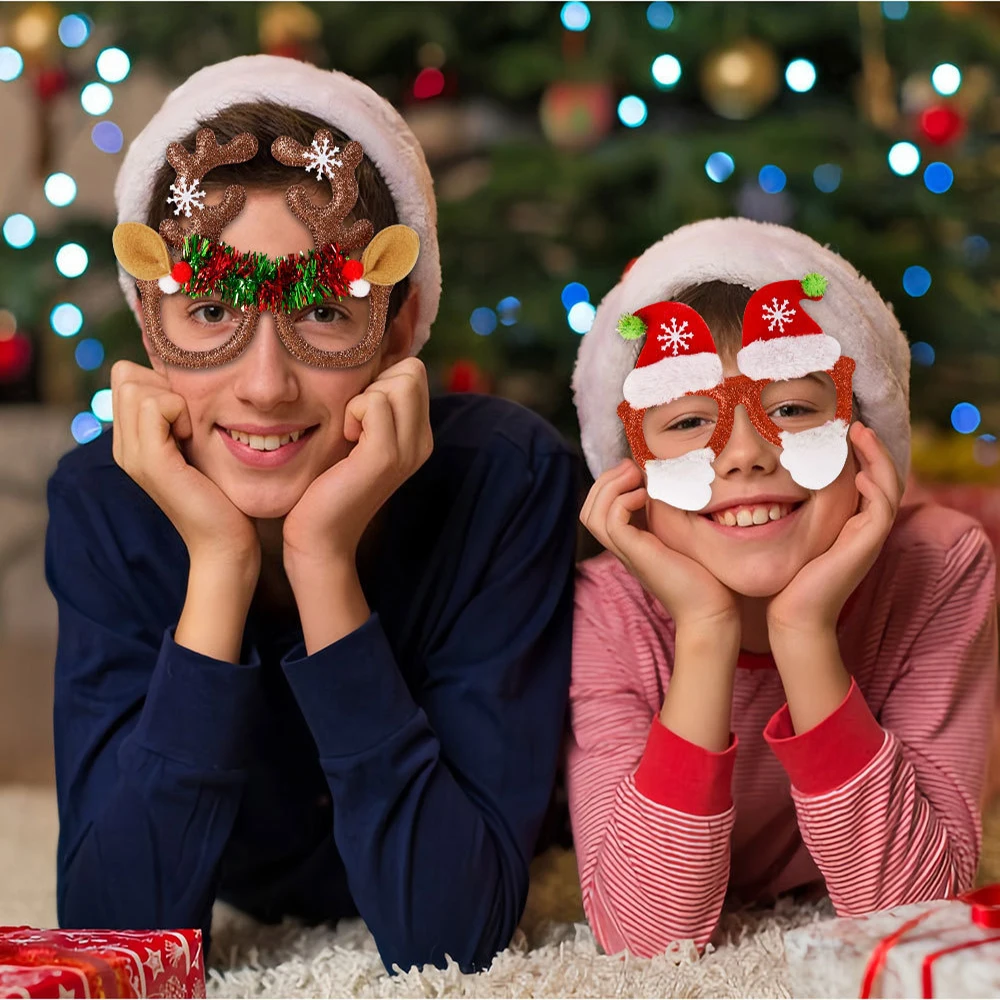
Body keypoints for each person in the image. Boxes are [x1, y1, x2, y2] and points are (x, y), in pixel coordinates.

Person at [45, 55, 579, 974]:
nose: (264, 386)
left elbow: (451, 936)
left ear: (403, 327)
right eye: (210, 308)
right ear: (146, 319)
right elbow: (116, 940)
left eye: (325, 313)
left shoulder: (506, 480)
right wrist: (218, 565)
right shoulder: (104, 505)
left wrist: (322, 562)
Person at [567, 217, 998, 957]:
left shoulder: (940, 566)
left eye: (794, 409)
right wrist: (704, 631)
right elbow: (642, 939)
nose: (744, 454)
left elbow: (914, 912)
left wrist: (804, 634)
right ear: (631, 474)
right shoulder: (610, 609)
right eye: (690, 421)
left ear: (867, 437)